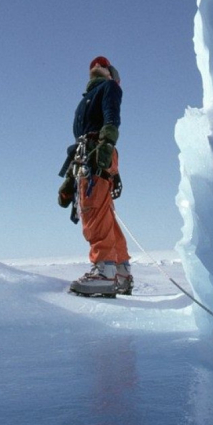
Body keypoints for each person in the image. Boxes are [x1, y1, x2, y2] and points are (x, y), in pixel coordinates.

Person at [58, 55, 134, 296]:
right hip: (88, 154)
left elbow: (111, 116)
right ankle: (121, 272)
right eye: (94, 65)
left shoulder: (109, 88)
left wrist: (107, 143)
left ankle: (104, 271)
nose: (97, 65)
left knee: (93, 211)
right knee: (104, 214)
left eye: (103, 65)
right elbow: (78, 142)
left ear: (112, 75)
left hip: (97, 151)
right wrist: (70, 179)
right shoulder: (85, 102)